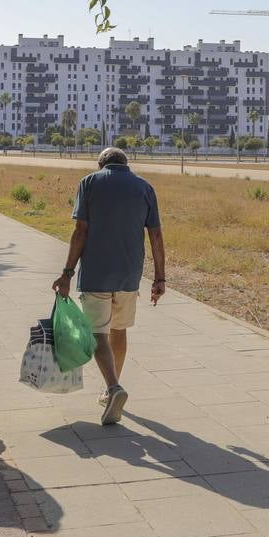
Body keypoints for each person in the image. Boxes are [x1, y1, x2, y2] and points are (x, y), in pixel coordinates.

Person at [53, 146, 166, 425]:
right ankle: (111, 386)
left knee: (98, 335)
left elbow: (81, 231)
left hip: (96, 274)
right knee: (119, 329)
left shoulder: (89, 183)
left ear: (101, 164)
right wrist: (160, 278)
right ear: (125, 163)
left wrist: (67, 273)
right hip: (129, 275)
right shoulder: (144, 187)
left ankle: (114, 387)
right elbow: (156, 235)